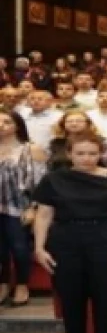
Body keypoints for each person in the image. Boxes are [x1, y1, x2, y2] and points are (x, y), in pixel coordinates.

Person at [31, 135, 107, 333]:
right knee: (69, 292)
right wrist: (39, 247)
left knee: (105, 291)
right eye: (80, 153)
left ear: (100, 154)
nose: (86, 159)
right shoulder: (54, 179)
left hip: (104, 236)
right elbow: (44, 214)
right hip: (65, 238)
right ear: (69, 154)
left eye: (92, 154)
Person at [0, 112, 47, 307]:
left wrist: (33, 207)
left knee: (19, 248)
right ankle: (3, 283)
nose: (1, 125)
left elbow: (41, 182)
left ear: (17, 125)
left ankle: (21, 284)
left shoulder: (30, 149)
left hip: (19, 206)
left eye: (6, 122)